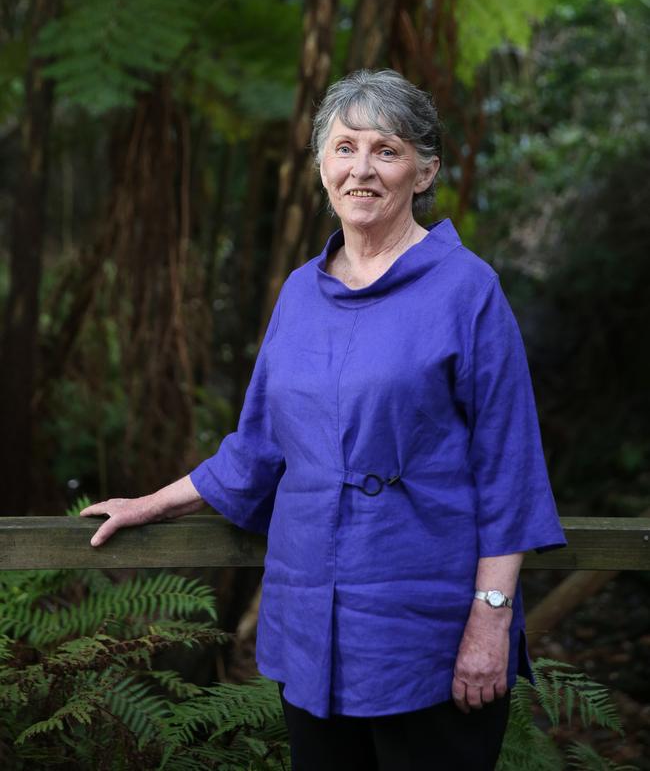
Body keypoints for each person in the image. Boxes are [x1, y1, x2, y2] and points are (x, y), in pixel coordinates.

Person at [82, 69, 566, 770]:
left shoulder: (469, 290)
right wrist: (150, 504)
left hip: (425, 631)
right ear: (320, 167)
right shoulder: (298, 295)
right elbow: (256, 450)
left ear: (424, 171)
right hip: (312, 626)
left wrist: (490, 622)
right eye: (344, 148)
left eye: (386, 150)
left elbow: (509, 469)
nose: (361, 169)